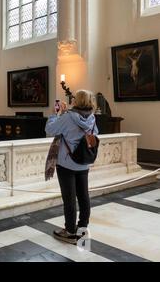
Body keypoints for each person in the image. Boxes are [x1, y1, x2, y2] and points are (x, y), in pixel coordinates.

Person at [45, 90, 99, 245]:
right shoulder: (92, 117)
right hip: (83, 162)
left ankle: (69, 231)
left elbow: (50, 130)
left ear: (77, 101)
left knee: (69, 198)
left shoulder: (68, 116)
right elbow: (94, 133)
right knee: (84, 197)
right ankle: (82, 230)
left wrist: (55, 114)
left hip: (67, 163)